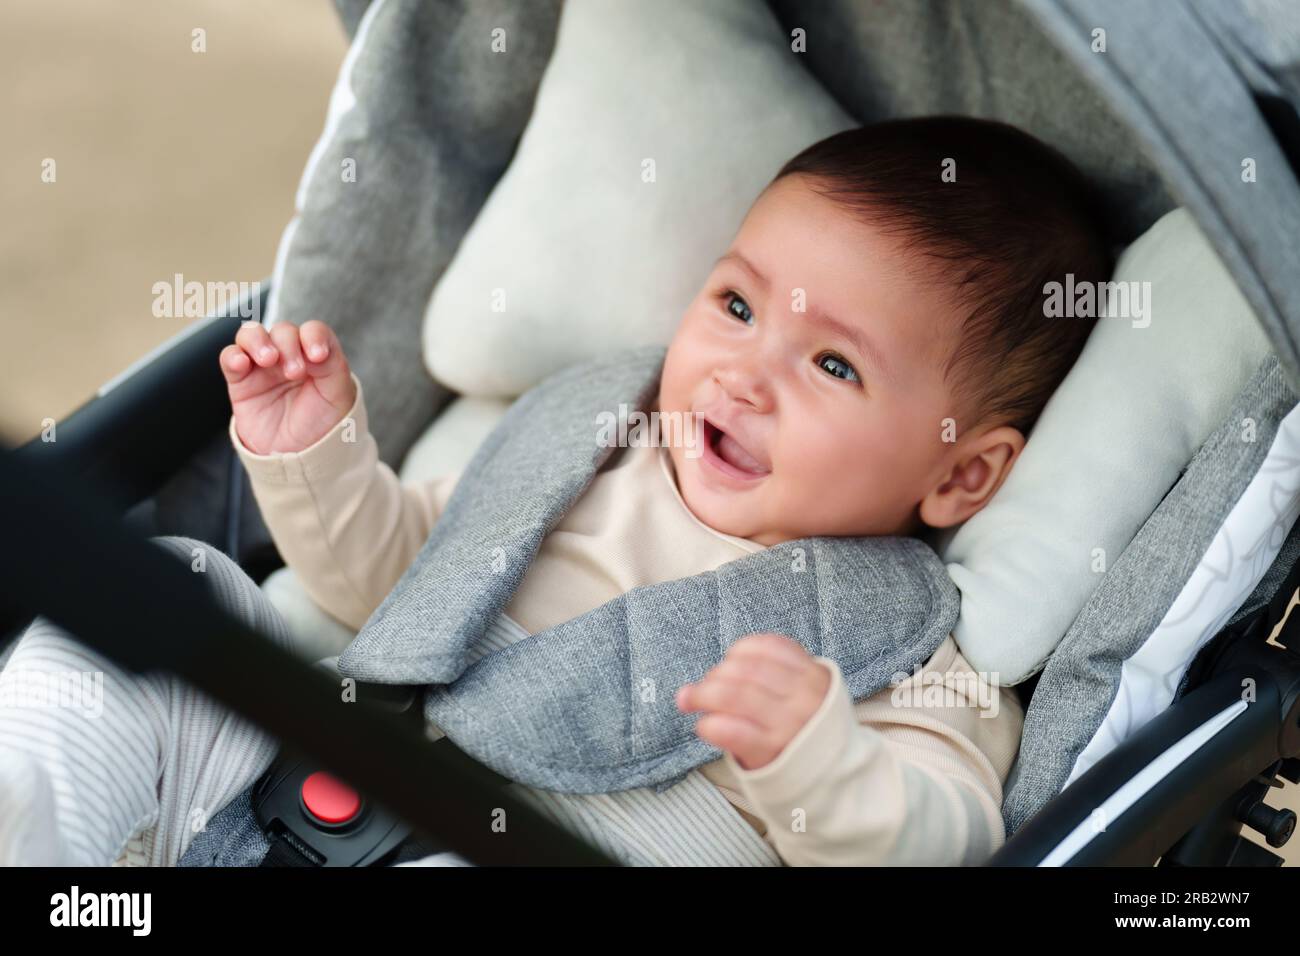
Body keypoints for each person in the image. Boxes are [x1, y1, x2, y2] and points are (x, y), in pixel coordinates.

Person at [0, 117, 1111, 866]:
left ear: (961, 471)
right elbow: (392, 581)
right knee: (166, 592)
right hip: (303, 768)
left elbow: (949, 836)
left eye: (833, 365)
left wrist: (816, 757)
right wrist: (322, 458)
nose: (746, 372)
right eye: (735, 305)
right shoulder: (583, 447)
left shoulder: (902, 647)